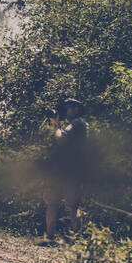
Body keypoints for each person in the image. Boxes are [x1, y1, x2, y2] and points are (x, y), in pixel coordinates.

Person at [43, 98, 88, 240]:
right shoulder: (79, 124)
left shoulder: (77, 123)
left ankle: (51, 237)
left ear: (76, 108)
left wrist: (56, 126)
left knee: (61, 204)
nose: (65, 110)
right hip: (72, 170)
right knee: (69, 204)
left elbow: (61, 140)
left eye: (67, 107)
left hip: (67, 170)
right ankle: (77, 239)